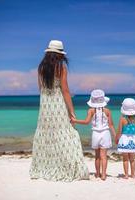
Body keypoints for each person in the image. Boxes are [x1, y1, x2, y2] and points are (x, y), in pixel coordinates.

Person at [29, 40, 89, 181]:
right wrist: (71, 111)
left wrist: (46, 100)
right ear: (59, 55)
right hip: (58, 104)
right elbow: (65, 90)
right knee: (68, 134)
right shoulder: (61, 68)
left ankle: (45, 167)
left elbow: (41, 88)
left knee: (47, 136)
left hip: (45, 106)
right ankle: (67, 166)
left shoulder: (40, 68)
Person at [72, 89, 116, 181]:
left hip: (96, 134)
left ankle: (97, 174)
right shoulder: (107, 111)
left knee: (97, 156)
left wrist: (75, 121)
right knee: (104, 156)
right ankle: (104, 175)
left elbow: (86, 122)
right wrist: (115, 136)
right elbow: (111, 125)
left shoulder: (91, 110)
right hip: (105, 134)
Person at [116, 98, 135, 179]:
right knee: (132, 159)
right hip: (133, 140)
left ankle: (126, 175)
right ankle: (133, 174)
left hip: (124, 140)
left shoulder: (122, 119)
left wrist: (117, 139)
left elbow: (119, 131)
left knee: (125, 159)